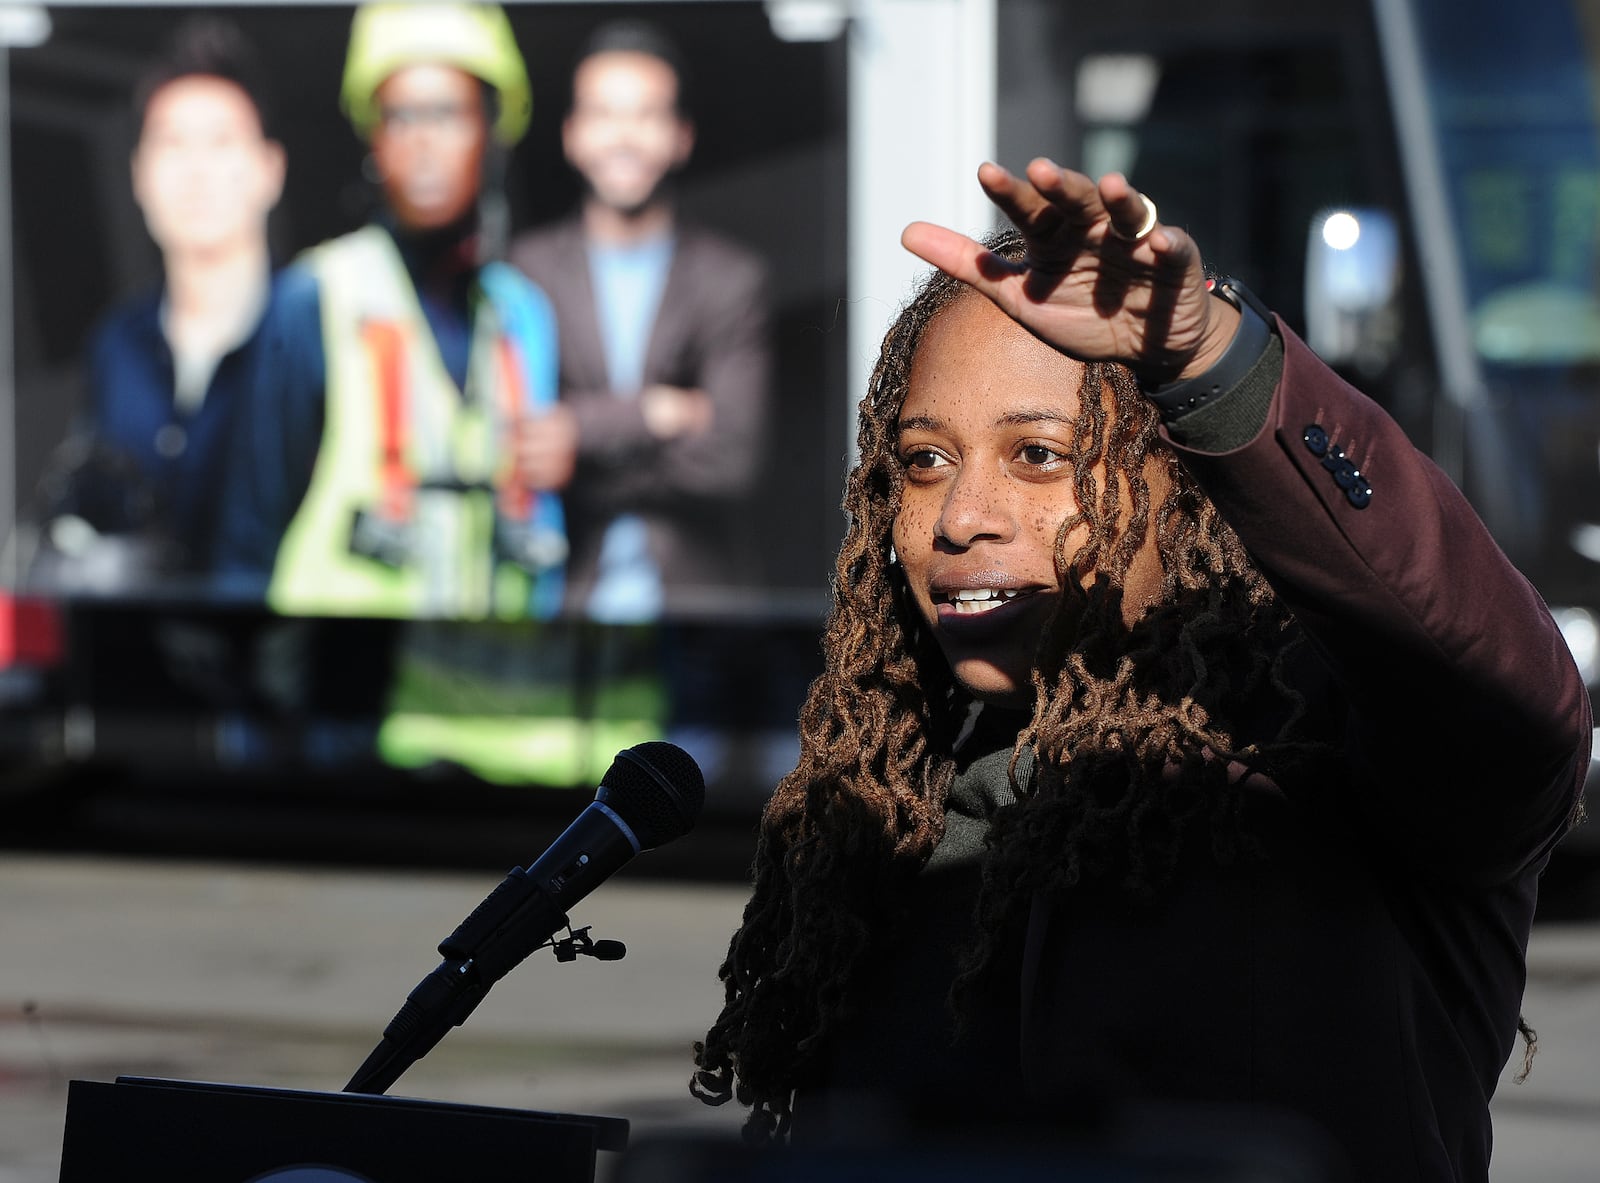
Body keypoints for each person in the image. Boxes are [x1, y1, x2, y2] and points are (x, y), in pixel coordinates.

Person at [690, 160, 1591, 1181]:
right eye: (925, 461)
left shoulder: (1334, 755)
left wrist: (1209, 358)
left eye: (1037, 456)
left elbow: (1505, 692)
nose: (959, 516)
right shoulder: (881, 810)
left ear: (1189, 489)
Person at [216, 2, 568, 621]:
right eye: (400, 116)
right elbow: (249, 537)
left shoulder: (523, 315)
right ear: (374, 136)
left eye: (448, 114)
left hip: (498, 703)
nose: (423, 143)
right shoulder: (315, 299)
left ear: (491, 130)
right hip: (348, 702)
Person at [510, 20, 771, 622]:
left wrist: (580, 434)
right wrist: (659, 412)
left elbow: (733, 459)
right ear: (573, 135)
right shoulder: (524, 272)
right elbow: (518, 443)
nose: (623, 136)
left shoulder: (732, 279)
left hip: (697, 612)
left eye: (647, 115)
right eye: (603, 114)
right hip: (558, 604)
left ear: (681, 137)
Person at [38, 17, 288, 591]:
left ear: (269, 170)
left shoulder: (316, 331)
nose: (196, 172)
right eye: (172, 144)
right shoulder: (115, 345)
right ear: (139, 176)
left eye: (221, 142)